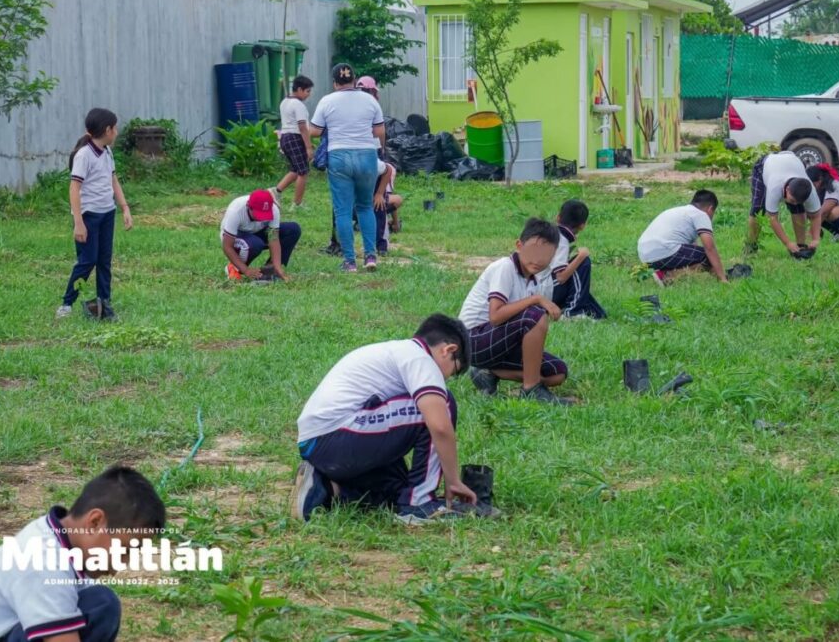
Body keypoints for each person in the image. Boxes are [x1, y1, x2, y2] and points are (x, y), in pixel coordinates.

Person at [0, 465, 166, 642]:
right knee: (99, 604)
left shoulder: (59, 541)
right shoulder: (40, 560)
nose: (121, 564)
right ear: (95, 522)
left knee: (99, 604)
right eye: (124, 550)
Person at [292, 314, 485, 526]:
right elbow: (439, 426)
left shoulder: (396, 352)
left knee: (399, 490)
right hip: (335, 434)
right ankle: (419, 505)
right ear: (449, 350)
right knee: (443, 406)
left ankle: (323, 488)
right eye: (454, 371)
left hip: (320, 443)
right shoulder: (419, 358)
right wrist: (453, 480)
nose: (447, 378)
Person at [459, 218, 574, 406]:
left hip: (501, 342)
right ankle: (531, 389)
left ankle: (488, 372)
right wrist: (536, 299)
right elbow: (495, 317)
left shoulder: (533, 280)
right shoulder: (505, 267)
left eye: (545, 255)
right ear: (519, 246)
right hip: (473, 340)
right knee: (535, 315)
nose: (537, 260)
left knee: (557, 373)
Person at [56, 109, 133, 321]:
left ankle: (103, 302)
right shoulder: (84, 155)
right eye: (115, 128)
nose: (117, 132)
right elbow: (74, 189)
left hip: (107, 213)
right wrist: (78, 223)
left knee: (104, 260)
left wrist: (124, 208)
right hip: (89, 216)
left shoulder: (107, 152)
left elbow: (113, 180)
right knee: (87, 261)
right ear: (107, 130)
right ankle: (67, 303)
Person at [309, 63, 385, 272]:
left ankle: (350, 261)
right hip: (366, 155)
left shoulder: (327, 101)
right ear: (354, 80)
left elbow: (315, 131)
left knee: (342, 210)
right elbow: (379, 131)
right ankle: (370, 256)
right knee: (365, 206)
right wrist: (380, 152)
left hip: (339, 156)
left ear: (335, 83)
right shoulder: (370, 100)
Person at [638, 189, 728, 286]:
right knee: (706, 257)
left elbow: (691, 249)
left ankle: (661, 273)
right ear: (710, 209)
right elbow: (709, 248)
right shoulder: (701, 214)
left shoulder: (679, 211)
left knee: (698, 255)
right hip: (664, 251)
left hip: (644, 256)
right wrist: (723, 278)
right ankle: (667, 276)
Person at [747, 151, 823, 256]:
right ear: (787, 189)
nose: (795, 203)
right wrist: (787, 243)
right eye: (792, 200)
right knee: (758, 210)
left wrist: (815, 238)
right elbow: (772, 218)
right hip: (765, 165)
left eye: (798, 201)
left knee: (798, 209)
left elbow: (816, 215)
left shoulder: (810, 191)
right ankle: (751, 246)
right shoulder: (774, 187)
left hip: (791, 161)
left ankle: (800, 247)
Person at [220, 189, 302, 282]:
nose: (262, 218)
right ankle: (234, 268)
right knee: (255, 244)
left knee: (293, 229)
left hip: (257, 232)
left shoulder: (274, 210)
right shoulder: (236, 211)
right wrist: (246, 270)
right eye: (259, 214)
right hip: (236, 236)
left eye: (265, 214)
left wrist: (277, 267)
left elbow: (273, 239)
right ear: (248, 206)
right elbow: (227, 246)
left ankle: (270, 269)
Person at [545, 199, 606, 319]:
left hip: (538, 287)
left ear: (558, 217)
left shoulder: (551, 233)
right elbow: (561, 277)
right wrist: (581, 257)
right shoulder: (561, 240)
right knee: (583, 262)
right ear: (582, 226)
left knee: (599, 314)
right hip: (548, 289)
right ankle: (573, 312)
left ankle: (579, 308)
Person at [272, 75, 314, 210]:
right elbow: (302, 127)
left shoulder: (284, 102)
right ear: (300, 89)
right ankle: (297, 204)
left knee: (295, 170)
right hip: (295, 137)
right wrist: (308, 147)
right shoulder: (298, 105)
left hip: (285, 137)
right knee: (303, 172)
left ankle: (275, 191)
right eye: (307, 91)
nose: (309, 94)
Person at [373, 158, 404, 255]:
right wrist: (395, 222)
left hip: (354, 206)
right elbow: (385, 197)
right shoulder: (388, 168)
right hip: (372, 205)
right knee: (397, 199)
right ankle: (382, 245)